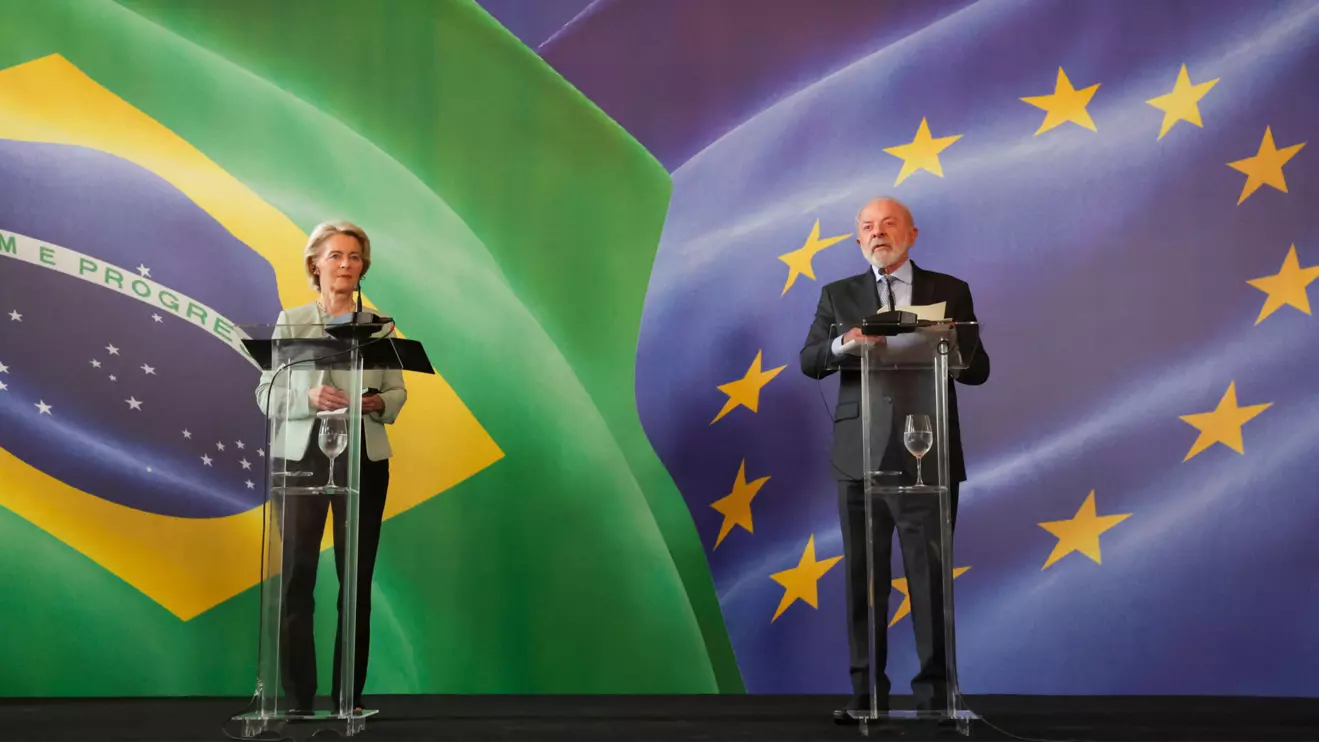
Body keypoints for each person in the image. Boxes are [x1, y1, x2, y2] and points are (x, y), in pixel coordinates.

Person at [798, 197, 989, 723]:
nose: (877, 233)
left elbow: (978, 370)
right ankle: (868, 701)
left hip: (926, 454)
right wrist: (843, 343)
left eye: (887, 224)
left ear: (912, 233)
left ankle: (936, 701)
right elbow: (809, 361)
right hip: (858, 459)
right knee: (864, 581)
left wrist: (951, 346)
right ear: (858, 239)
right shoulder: (838, 295)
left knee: (930, 581)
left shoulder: (950, 291)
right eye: (866, 227)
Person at [254, 220, 407, 713]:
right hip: (301, 457)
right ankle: (297, 701)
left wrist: (373, 403)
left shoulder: (378, 326)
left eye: (355, 257)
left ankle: (347, 700)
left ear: (363, 268)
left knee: (355, 581)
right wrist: (307, 395)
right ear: (315, 265)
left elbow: (397, 392)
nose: (346, 265)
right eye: (336, 256)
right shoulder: (292, 320)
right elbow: (266, 392)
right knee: (297, 576)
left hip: (362, 456)